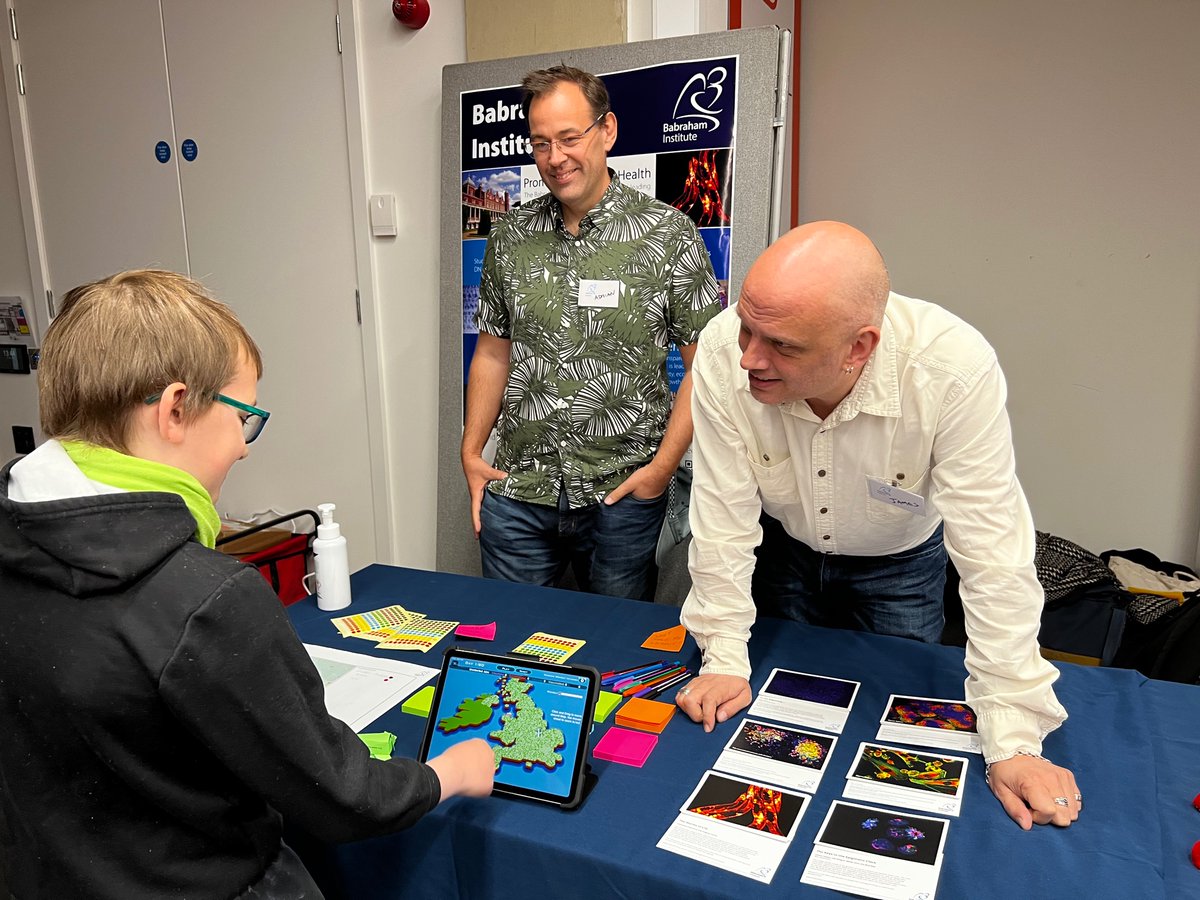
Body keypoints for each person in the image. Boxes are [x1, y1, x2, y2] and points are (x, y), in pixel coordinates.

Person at [0, 270, 495, 899]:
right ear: (176, 408)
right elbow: (342, 796)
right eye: (244, 418)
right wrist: (445, 773)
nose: (243, 448)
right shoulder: (204, 599)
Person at [675, 222, 1082, 830]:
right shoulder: (721, 353)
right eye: (746, 328)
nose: (748, 358)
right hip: (784, 550)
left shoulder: (951, 371)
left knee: (899, 724)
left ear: (859, 347)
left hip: (901, 566)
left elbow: (993, 556)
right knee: (784, 714)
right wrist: (725, 655)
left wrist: (1015, 737)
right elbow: (722, 515)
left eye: (781, 345)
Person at [462, 64, 721, 602]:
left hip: (621, 495)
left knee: (614, 655)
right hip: (519, 491)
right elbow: (492, 351)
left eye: (569, 138)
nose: (555, 158)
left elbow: (708, 365)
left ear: (607, 131)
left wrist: (661, 470)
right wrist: (469, 453)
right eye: (540, 143)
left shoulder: (667, 234)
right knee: (513, 649)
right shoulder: (511, 235)